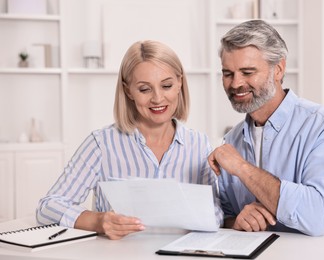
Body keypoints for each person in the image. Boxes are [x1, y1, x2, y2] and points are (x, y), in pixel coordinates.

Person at [36, 40, 224, 240]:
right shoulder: (102, 143)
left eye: (166, 85)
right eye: (145, 89)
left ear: (179, 83)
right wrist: (98, 221)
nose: (158, 98)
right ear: (128, 91)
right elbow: (47, 207)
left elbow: (216, 212)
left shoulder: (198, 144)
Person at [207, 20, 324, 237]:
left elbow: (318, 216)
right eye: (228, 73)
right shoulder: (232, 140)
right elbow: (225, 215)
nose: (235, 83)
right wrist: (237, 222)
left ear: (278, 70)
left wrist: (242, 167)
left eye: (247, 72)